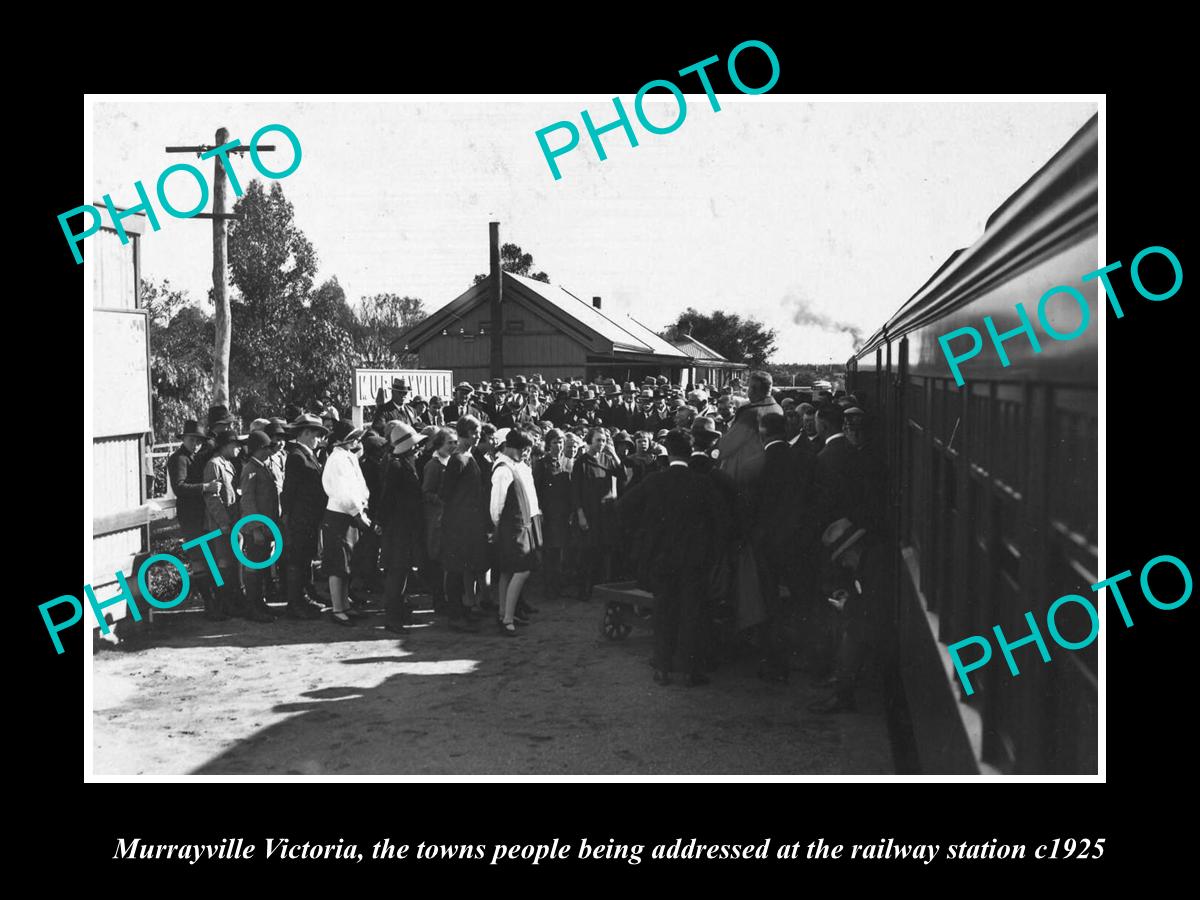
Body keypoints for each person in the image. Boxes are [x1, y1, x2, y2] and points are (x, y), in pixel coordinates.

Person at [617, 430, 725, 686]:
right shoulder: (703, 482)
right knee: (691, 612)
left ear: (669, 452)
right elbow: (721, 521)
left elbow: (623, 507)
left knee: (664, 611)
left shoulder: (655, 481)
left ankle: (662, 669)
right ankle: (689, 671)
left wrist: (643, 534)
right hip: (694, 559)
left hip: (662, 558)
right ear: (691, 453)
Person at [716, 371, 784, 631]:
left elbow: (725, 447)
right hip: (762, 482)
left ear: (753, 390)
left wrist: (707, 450)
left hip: (739, 484)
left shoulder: (749, 413)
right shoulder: (775, 407)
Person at [808, 517, 881, 714]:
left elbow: (874, 607)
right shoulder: (868, 560)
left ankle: (843, 693)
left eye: (843, 558)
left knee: (853, 630)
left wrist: (847, 605)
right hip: (881, 623)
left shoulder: (875, 564)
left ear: (852, 550)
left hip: (887, 629)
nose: (844, 564)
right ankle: (843, 689)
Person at [167, 420, 226, 620]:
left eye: (199, 441)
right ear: (183, 438)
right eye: (192, 439)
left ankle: (217, 603)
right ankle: (209, 605)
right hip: (190, 517)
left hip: (201, 515)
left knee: (208, 558)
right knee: (198, 559)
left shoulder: (196, 457)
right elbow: (179, 487)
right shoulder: (178, 459)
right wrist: (205, 487)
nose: (196, 444)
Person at [375, 422, 428, 634]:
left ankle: (398, 613)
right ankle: (393, 618)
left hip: (404, 527)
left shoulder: (404, 464)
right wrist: (382, 522)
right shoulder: (397, 467)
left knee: (401, 571)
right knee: (396, 572)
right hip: (398, 529)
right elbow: (387, 499)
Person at [438, 416, 490, 629]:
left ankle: (464, 610)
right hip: (458, 525)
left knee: (466, 567)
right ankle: (455, 615)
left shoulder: (470, 456)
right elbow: (445, 493)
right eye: (476, 432)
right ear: (466, 433)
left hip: (470, 524)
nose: (479, 436)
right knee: (456, 570)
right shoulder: (458, 459)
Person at [490, 430, 542, 635]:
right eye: (521, 449)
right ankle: (507, 619)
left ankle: (504, 613)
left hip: (518, 525)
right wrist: (500, 528)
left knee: (508, 571)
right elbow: (497, 506)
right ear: (509, 447)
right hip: (510, 527)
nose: (524, 453)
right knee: (521, 570)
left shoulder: (513, 466)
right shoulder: (503, 470)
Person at [320, 421, 372, 626]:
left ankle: (346, 605)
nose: (358, 440)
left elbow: (359, 485)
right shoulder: (336, 459)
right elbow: (342, 491)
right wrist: (357, 512)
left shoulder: (350, 457)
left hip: (351, 513)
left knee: (347, 563)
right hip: (339, 514)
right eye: (354, 437)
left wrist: (362, 506)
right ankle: (337, 608)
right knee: (337, 563)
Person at [570, 427, 627, 602]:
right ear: (590, 441)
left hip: (605, 514)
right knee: (587, 553)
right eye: (598, 440)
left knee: (602, 552)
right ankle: (583, 590)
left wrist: (615, 455)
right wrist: (580, 515)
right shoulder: (582, 462)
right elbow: (576, 492)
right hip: (589, 513)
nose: (601, 444)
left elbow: (622, 475)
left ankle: (598, 589)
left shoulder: (608, 459)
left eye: (603, 440)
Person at [281, 413, 328, 619]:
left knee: (305, 559)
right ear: (306, 433)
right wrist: (291, 518)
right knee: (298, 561)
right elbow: (289, 492)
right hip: (301, 518)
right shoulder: (297, 457)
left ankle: (303, 598)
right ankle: (295, 603)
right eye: (317, 434)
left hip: (309, 518)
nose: (319, 439)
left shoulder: (308, 455)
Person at [237, 430, 280, 622]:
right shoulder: (250, 470)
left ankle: (260, 603)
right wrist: (255, 528)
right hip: (257, 529)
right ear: (258, 449)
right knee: (254, 567)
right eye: (265, 447)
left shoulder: (263, 467)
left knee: (262, 566)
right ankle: (252, 607)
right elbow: (248, 501)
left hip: (266, 526)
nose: (269, 451)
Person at [203, 430, 246, 619]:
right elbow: (212, 498)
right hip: (221, 525)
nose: (238, 448)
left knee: (232, 563)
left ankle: (232, 601)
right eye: (235, 445)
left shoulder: (228, 464)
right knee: (223, 564)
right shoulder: (214, 465)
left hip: (232, 522)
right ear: (225, 446)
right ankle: (224, 603)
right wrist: (224, 523)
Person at [532, 428, 572, 607]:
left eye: (561, 442)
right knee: (550, 552)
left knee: (562, 550)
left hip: (564, 513)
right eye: (555, 442)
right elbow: (536, 489)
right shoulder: (542, 463)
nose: (559, 445)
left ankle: (559, 584)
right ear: (548, 444)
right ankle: (549, 586)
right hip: (549, 513)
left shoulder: (568, 462)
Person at [420, 427, 456, 611]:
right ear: (440, 444)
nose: (453, 446)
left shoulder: (451, 462)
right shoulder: (433, 466)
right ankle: (439, 600)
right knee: (437, 560)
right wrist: (442, 500)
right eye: (449, 442)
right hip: (437, 520)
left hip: (448, 519)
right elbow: (426, 492)